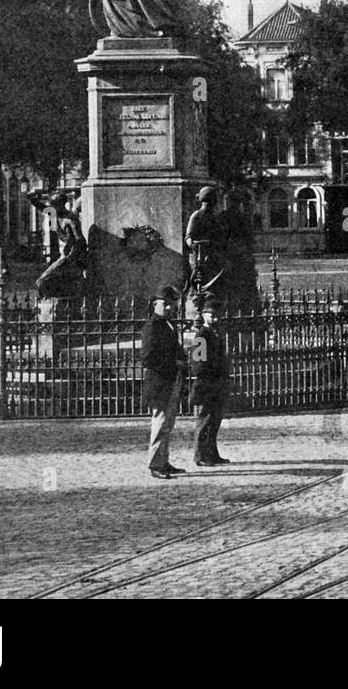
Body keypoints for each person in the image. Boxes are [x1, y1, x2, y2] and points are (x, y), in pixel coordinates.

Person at [141, 284, 187, 479]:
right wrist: (173, 362)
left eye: (171, 304)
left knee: (167, 424)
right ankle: (155, 464)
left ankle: (163, 461)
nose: (169, 308)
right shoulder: (152, 326)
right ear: (154, 304)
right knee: (160, 424)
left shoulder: (168, 324)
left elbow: (175, 347)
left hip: (170, 380)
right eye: (165, 304)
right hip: (159, 383)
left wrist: (182, 358)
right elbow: (147, 358)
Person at [189, 292, 231, 466]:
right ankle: (200, 455)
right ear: (204, 315)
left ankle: (212, 453)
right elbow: (197, 365)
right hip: (207, 383)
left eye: (217, 315)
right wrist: (211, 373)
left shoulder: (216, 334)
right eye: (211, 315)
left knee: (215, 421)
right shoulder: (202, 336)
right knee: (205, 421)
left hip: (218, 383)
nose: (215, 318)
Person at [184, 186, 221, 302]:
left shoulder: (215, 217)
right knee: (195, 278)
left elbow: (220, 235)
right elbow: (188, 237)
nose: (208, 206)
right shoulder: (196, 215)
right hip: (198, 254)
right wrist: (193, 244)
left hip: (211, 253)